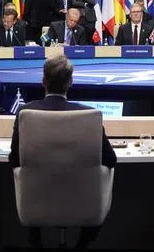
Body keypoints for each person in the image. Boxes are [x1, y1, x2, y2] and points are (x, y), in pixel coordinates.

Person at [9, 56, 117, 251]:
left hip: (36, 200)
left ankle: (37, 243)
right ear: (71, 83)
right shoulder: (88, 115)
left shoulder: (25, 112)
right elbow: (111, 159)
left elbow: (14, 160)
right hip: (85, 200)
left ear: (43, 81)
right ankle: (81, 245)